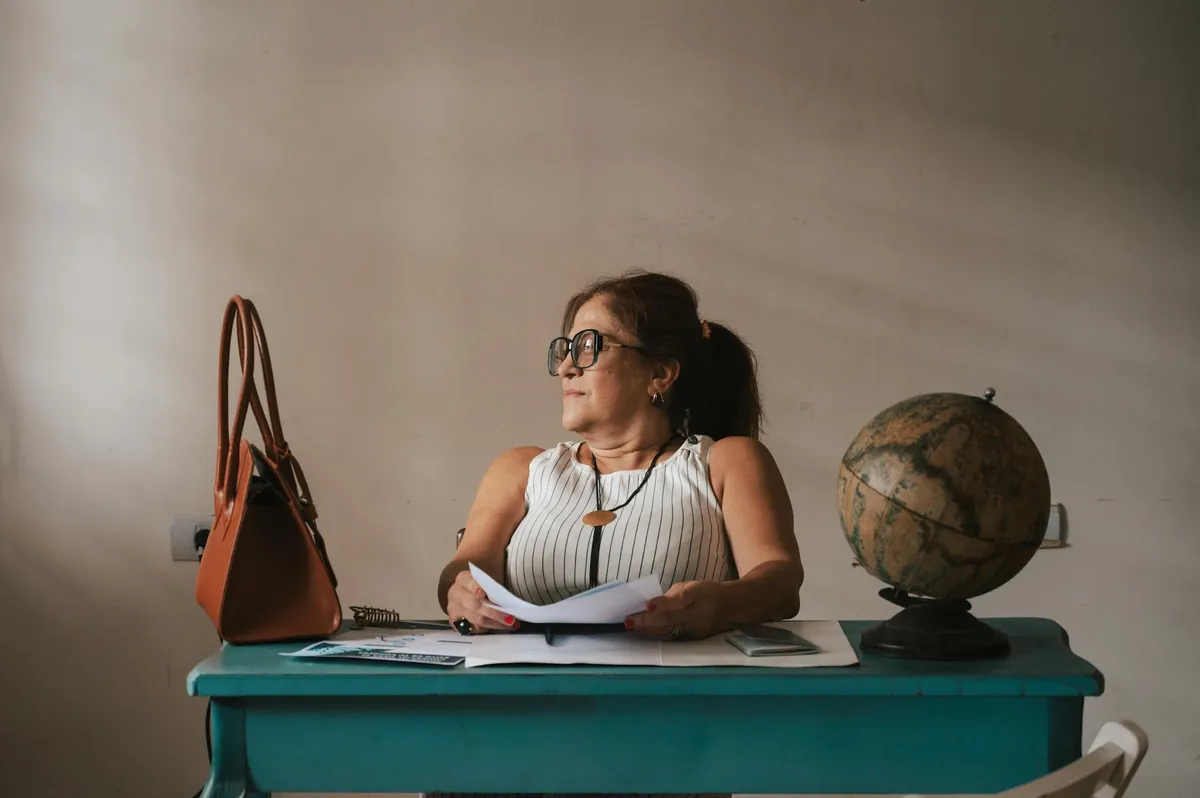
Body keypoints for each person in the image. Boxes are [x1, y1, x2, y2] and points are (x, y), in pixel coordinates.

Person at [438, 269, 803, 643]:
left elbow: (781, 583)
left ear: (659, 373)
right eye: (566, 350)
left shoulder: (726, 462)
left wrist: (722, 603)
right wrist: (460, 591)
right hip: (529, 679)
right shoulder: (519, 470)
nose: (565, 368)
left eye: (589, 346)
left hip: (677, 679)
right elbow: (464, 568)